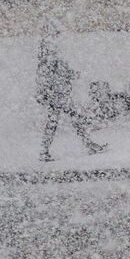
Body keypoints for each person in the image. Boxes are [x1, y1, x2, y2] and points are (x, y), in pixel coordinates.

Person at [36, 22, 106, 162]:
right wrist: (67, 75)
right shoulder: (49, 49)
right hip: (57, 95)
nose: (59, 35)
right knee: (66, 120)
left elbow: (53, 71)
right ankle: (87, 145)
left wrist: (70, 74)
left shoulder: (50, 50)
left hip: (58, 94)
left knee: (63, 121)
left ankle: (46, 151)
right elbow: (51, 72)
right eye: (57, 32)